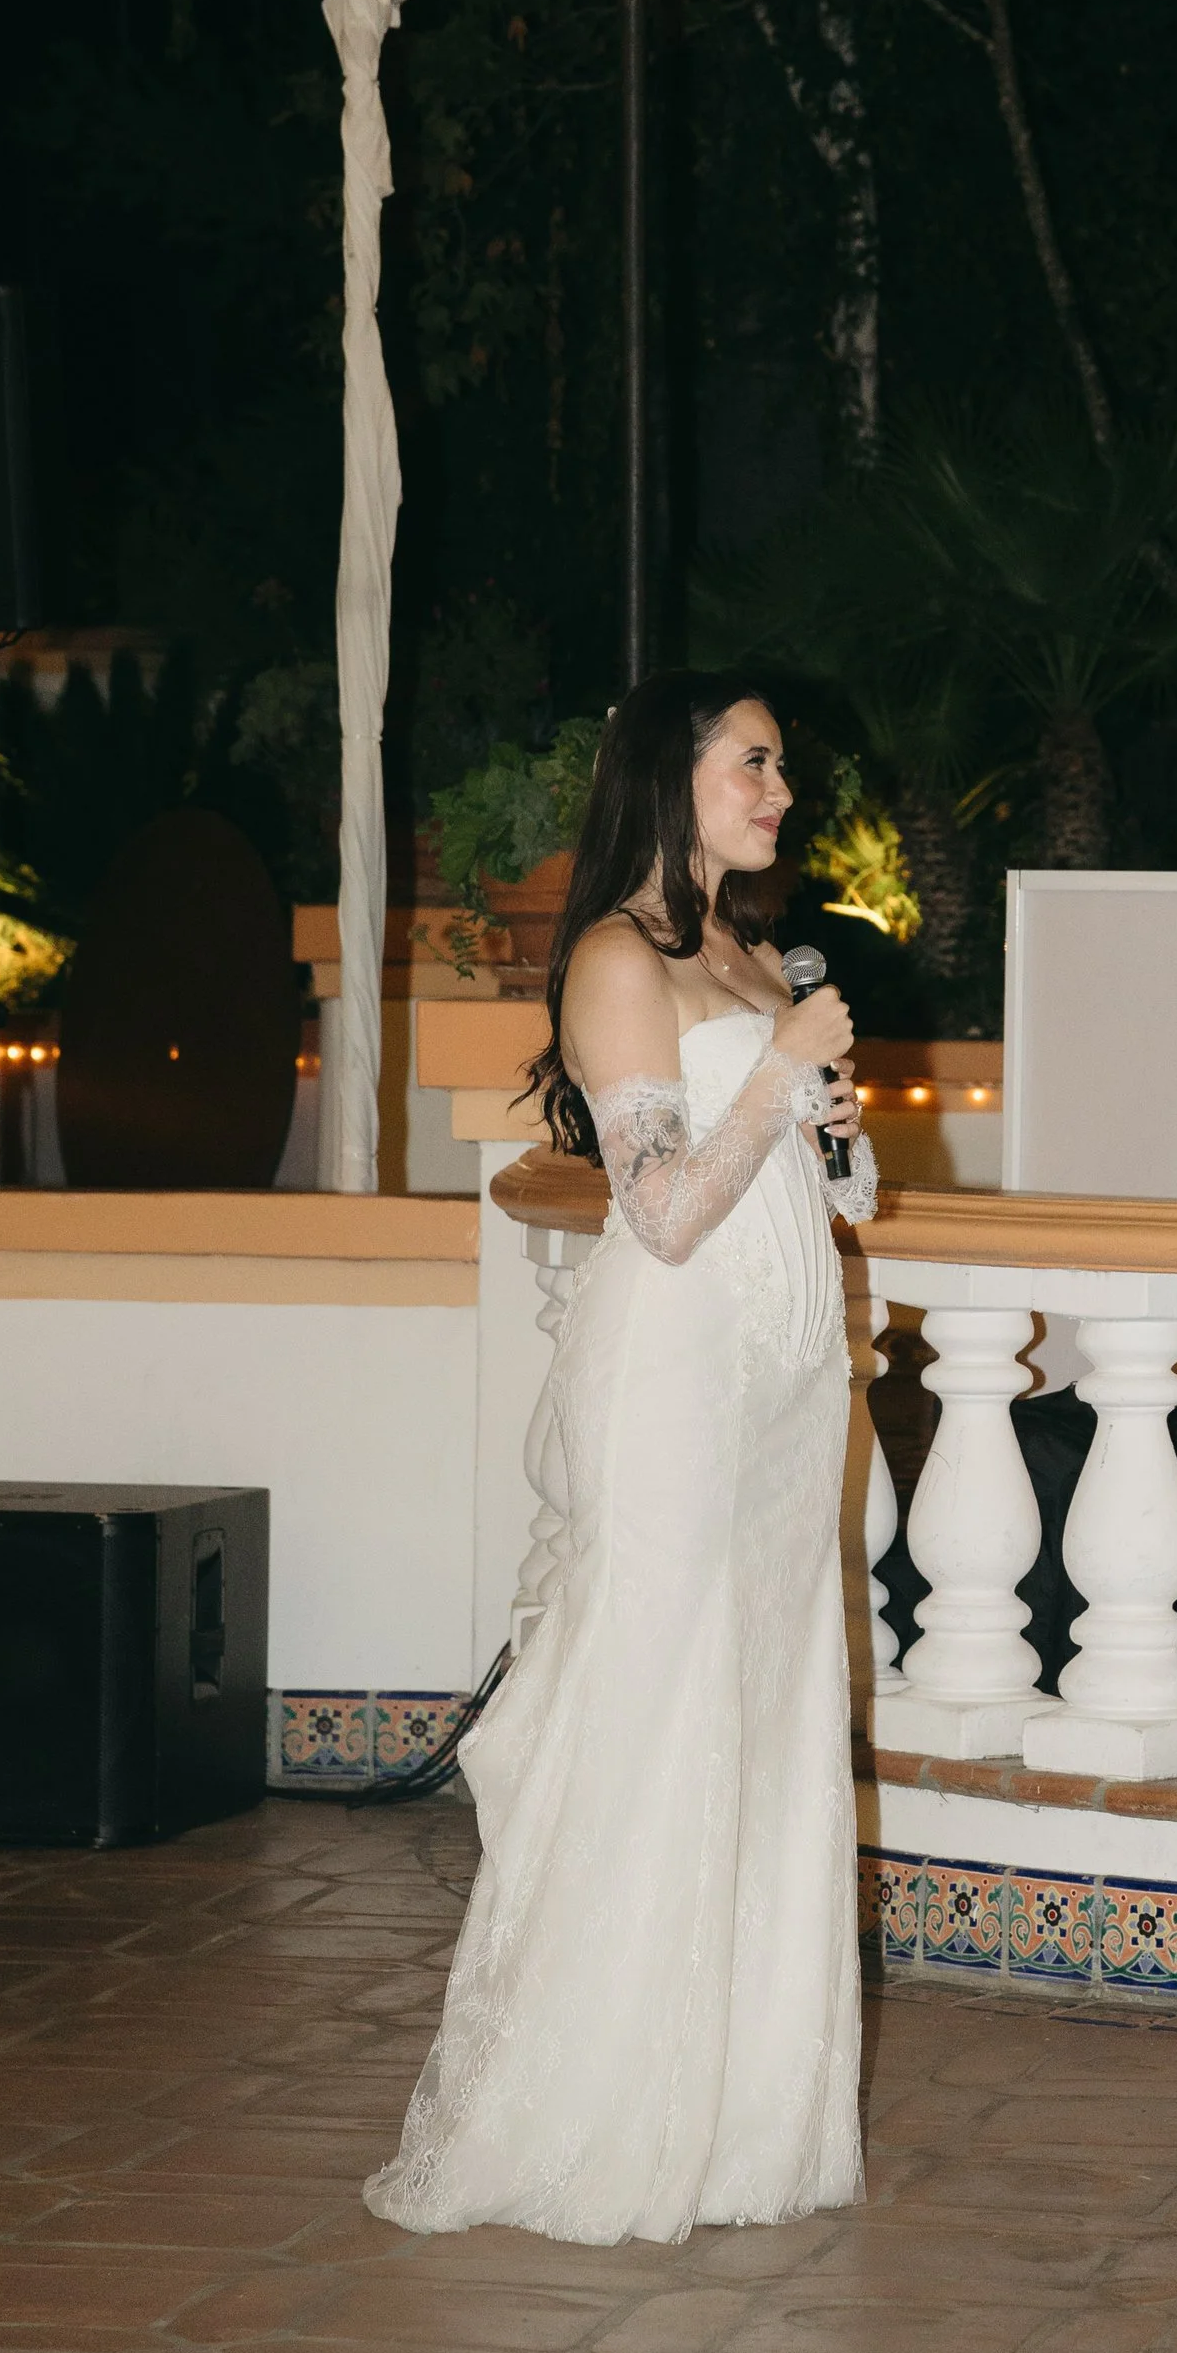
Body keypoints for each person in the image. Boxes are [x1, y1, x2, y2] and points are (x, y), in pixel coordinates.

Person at [365, 673, 876, 2245]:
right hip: (675, 1389)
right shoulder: (614, 957)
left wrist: (835, 1116)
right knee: (660, 1719)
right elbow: (654, 1211)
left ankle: (743, 2121)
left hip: (788, 1394)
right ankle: (599, 2115)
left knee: (771, 1719)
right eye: (754, 762)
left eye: (780, 765)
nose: (780, 789)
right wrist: (781, 1071)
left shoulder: (746, 953)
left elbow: (851, 1200)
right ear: (672, 774)